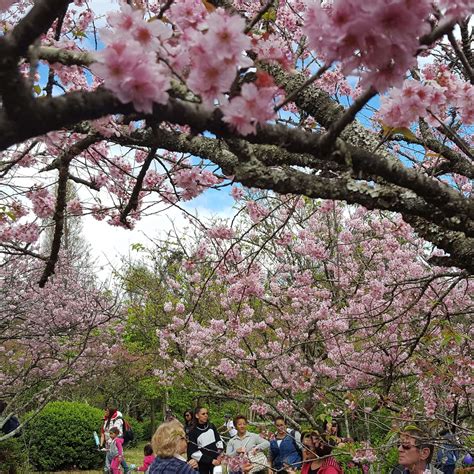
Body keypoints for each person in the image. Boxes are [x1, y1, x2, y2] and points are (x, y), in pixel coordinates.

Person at [187, 406, 224, 474]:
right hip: (202, 465)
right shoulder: (192, 432)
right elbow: (193, 452)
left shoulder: (211, 426)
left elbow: (218, 440)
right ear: (197, 416)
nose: (206, 415)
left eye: (207, 413)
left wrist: (219, 454)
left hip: (216, 461)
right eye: (203, 414)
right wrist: (210, 460)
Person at [100, 406, 129, 473]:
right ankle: (110, 469)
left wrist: (111, 442)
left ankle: (124, 469)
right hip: (109, 442)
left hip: (115, 441)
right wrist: (102, 445)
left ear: (111, 412)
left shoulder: (118, 420)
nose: (105, 412)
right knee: (113, 456)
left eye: (107, 411)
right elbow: (103, 432)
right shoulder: (106, 420)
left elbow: (115, 431)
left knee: (116, 455)